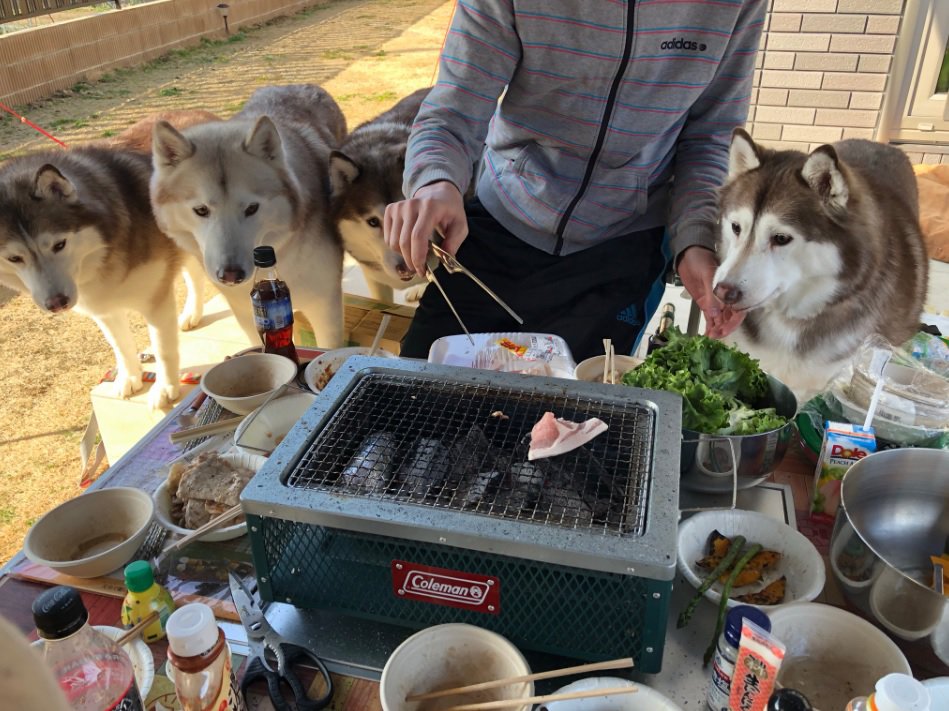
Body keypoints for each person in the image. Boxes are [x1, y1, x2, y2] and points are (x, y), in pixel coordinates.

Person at [385, 0, 766, 361]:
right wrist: (435, 182)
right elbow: (453, 111)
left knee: (577, 422)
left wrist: (696, 238)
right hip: (498, 222)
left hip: (622, 243)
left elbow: (709, 136)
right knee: (411, 396)